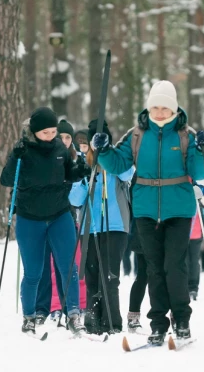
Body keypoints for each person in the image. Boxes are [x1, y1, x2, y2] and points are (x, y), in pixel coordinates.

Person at [91, 80, 204, 345]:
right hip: (145, 210)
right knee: (154, 268)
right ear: (149, 107)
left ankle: (182, 321)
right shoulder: (136, 134)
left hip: (178, 210)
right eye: (155, 106)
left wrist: (202, 150)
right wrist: (102, 150)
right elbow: (116, 162)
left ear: (174, 109)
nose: (159, 112)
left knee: (174, 266)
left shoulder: (185, 135)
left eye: (165, 107)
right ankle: (158, 323)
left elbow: (200, 172)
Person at [0, 107, 91, 336]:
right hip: (31, 219)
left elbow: (68, 174)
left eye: (54, 132)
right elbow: (7, 179)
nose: (51, 136)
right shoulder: (24, 150)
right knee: (34, 272)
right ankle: (29, 317)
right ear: (34, 131)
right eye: (46, 133)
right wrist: (15, 157)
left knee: (69, 268)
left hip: (60, 215)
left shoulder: (60, 148)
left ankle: (73, 315)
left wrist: (79, 171)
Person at [70, 119, 134, 335]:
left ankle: (112, 323)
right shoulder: (84, 163)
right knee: (92, 277)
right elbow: (75, 199)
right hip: (90, 227)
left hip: (115, 225)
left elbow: (128, 174)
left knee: (109, 277)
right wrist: (82, 179)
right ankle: (92, 322)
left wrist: (107, 157)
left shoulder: (114, 160)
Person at [34, 119, 87, 324]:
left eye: (68, 137)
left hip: (71, 219)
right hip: (46, 218)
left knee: (71, 266)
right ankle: (51, 306)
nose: (64, 141)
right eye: (61, 137)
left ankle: (75, 306)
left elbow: (78, 193)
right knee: (47, 266)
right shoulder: (47, 157)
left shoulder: (75, 160)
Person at [188, 186, 204, 301]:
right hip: (181, 231)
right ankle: (184, 286)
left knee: (194, 261)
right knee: (183, 261)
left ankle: (193, 287)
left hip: (196, 231)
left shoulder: (201, 185)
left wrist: (203, 200)